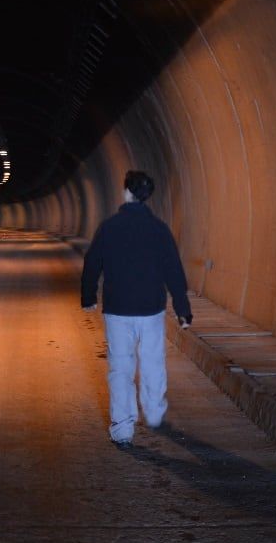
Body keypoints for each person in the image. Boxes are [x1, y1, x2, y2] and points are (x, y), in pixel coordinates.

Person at [81, 170, 193, 447]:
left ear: (126, 193)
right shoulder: (159, 230)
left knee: (120, 367)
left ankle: (122, 427)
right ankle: (154, 412)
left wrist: (88, 296)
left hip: (118, 309)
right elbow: (173, 271)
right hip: (151, 309)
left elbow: (92, 263)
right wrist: (182, 308)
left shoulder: (109, 228)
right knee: (153, 360)